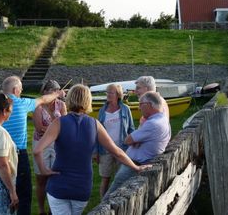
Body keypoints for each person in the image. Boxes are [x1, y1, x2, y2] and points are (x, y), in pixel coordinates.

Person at [34, 84, 151, 215]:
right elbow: (116, 151)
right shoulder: (95, 124)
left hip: (59, 185)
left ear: (69, 99)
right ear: (88, 101)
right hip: (82, 187)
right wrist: (136, 167)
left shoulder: (58, 123)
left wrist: (44, 170)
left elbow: (37, 150)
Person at [0, 75, 65, 215]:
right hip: (18, 155)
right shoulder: (21, 103)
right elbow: (44, 99)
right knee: (23, 195)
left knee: (3, 193)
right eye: (20, 89)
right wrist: (58, 94)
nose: (20, 92)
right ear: (15, 90)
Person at [104, 91, 171, 198]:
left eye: (141, 104)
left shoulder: (152, 124)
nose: (139, 108)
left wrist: (135, 140)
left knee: (110, 197)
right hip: (141, 164)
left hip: (134, 166)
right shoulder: (161, 119)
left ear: (149, 105)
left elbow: (127, 140)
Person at [33, 80, 67, 215]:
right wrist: (56, 128)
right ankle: (41, 210)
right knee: (41, 178)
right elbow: (39, 128)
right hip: (41, 145)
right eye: (52, 91)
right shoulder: (38, 106)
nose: (54, 93)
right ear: (45, 92)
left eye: (56, 90)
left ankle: (53, 209)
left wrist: (54, 128)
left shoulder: (61, 105)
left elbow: (65, 125)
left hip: (57, 145)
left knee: (56, 177)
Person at [96, 84, 135, 197]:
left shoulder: (125, 109)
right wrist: (96, 151)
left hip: (122, 149)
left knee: (121, 177)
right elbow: (97, 132)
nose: (108, 95)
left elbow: (131, 129)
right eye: (107, 92)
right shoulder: (102, 111)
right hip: (105, 150)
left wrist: (133, 145)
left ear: (118, 95)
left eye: (111, 93)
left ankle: (119, 199)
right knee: (105, 178)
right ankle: (102, 203)